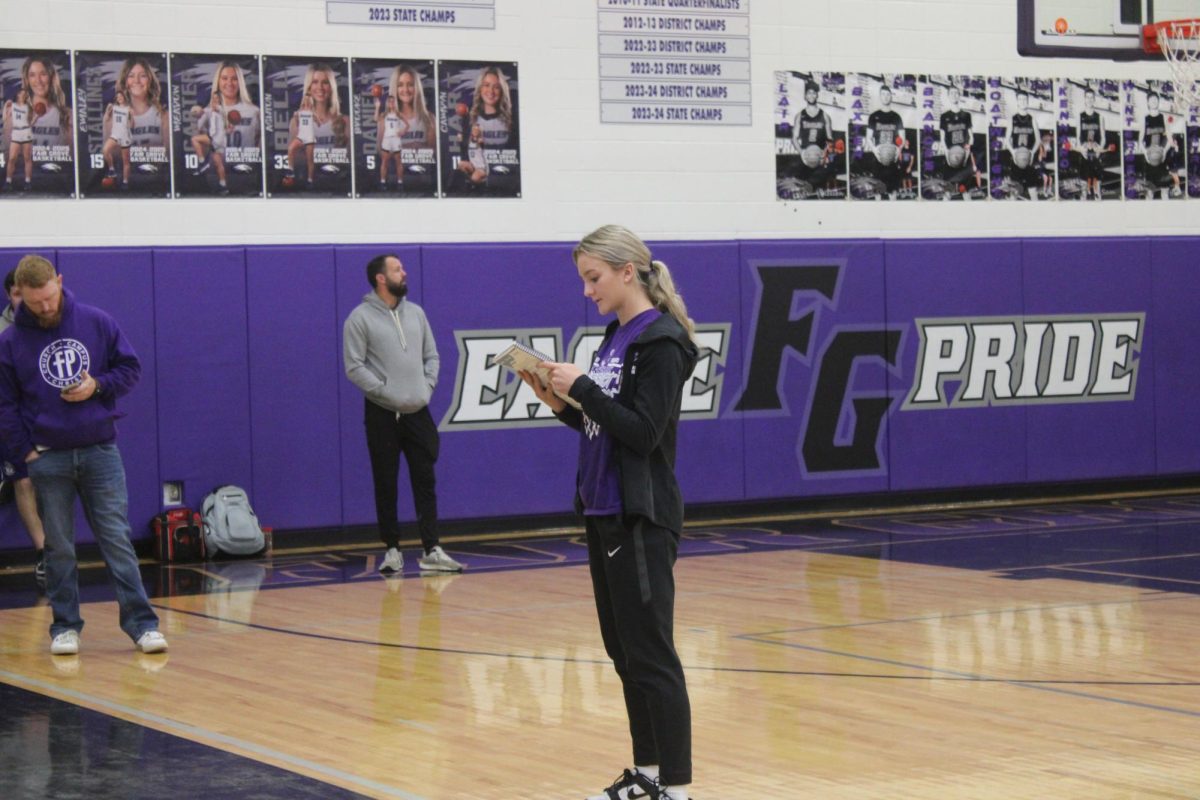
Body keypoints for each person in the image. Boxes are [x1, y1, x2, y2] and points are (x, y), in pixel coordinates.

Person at [519, 225, 699, 800]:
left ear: (627, 272)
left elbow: (645, 434)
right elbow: (606, 426)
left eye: (593, 278)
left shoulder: (662, 342)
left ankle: (677, 788)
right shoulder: (614, 337)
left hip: (640, 517)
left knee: (652, 656)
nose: (587, 291)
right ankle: (647, 776)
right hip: (603, 511)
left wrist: (586, 390)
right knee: (625, 655)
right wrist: (562, 403)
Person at [0, 255, 166, 656]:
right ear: (19, 294)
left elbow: (130, 368)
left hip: (99, 450)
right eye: (36, 302)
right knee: (58, 546)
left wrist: (97, 386)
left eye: (50, 298)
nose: (46, 308)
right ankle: (65, 627)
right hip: (48, 456)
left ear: (59, 281)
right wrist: (25, 451)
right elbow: (5, 404)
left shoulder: (96, 321)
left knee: (116, 540)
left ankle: (142, 625)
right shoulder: (9, 342)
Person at [343, 254, 463, 575]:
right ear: (381, 279)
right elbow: (354, 367)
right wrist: (385, 390)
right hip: (382, 414)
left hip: (418, 412)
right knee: (386, 482)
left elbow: (432, 356)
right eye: (397, 269)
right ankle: (392, 550)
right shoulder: (359, 318)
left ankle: (432, 549)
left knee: (425, 480)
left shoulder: (417, 314)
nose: (404, 272)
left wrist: (425, 389)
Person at [0, 269, 47, 582]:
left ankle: (58, 550)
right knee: (24, 482)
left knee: (58, 482)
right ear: (9, 295)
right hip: (10, 419)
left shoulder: (50, 325)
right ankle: (44, 554)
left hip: (46, 418)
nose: (23, 301)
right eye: (17, 294)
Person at [287, 63, 349, 187]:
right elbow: (295, 159)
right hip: (307, 187)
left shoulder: (345, 121)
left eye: (325, 82)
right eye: (315, 82)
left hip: (335, 184)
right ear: (309, 87)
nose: (320, 87)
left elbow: (350, 161)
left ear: (331, 87)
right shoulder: (297, 119)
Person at [376, 64, 435, 190]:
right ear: (394, 88)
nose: (406, 89)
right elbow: (381, 152)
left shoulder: (429, 118)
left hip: (422, 179)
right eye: (400, 85)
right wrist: (408, 148)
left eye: (410, 84)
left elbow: (434, 152)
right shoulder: (384, 117)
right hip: (394, 178)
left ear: (417, 87)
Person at [456, 66, 515, 185]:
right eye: (486, 85)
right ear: (480, 88)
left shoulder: (511, 119)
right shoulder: (471, 118)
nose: (491, 91)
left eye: (496, 87)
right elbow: (468, 149)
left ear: (502, 90)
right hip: (479, 168)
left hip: (503, 172)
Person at [1142, 92, 1183, 198]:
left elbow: (1169, 137)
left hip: (1161, 156)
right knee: (1149, 191)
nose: (1154, 102)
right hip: (1150, 157)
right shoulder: (1145, 118)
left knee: (1164, 189)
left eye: (1156, 99)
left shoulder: (1163, 117)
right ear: (1148, 102)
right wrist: (1145, 152)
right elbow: (1140, 139)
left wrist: (1165, 151)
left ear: (1158, 102)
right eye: (1151, 100)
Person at [1077, 88, 1105, 200]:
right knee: (1084, 192)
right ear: (1084, 99)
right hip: (1084, 154)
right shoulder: (1080, 116)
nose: (1089, 100)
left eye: (1091, 97)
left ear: (1094, 100)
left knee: (1097, 191)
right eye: (1087, 97)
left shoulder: (1100, 116)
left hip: (1096, 154)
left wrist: (1100, 149)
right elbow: (1078, 137)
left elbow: (1103, 137)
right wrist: (1081, 149)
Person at [3, 88, 34, 191]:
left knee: (27, 158)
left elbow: (31, 122)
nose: (23, 95)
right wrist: (5, 106)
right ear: (17, 94)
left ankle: (28, 182)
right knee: (12, 158)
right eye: (21, 93)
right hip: (16, 132)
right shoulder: (12, 105)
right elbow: (4, 118)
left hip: (26, 132)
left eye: (25, 94)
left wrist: (36, 117)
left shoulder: (28, 107)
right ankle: (8, 182)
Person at [102, 90, 132, 189]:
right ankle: (112, 169)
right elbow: (106, 119)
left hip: (125, 136)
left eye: (121, 96)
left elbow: (132, 124)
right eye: (118, 96)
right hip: (115, 134)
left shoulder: (129, 109)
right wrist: (107, 110)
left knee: (125, 161)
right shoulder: (113, 107)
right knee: (105, 150)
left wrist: (130, 123)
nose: (119, 98)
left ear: (124, 97)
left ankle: (125, 181)